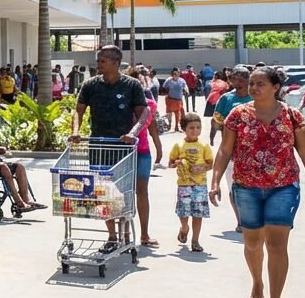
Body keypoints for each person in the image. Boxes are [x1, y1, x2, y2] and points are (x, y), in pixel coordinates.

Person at [210, 65, 305, 298]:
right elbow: (225, 150)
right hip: (246, 187)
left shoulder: (292, 116)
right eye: (252, 84)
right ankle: (257, 283)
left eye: (260, 84)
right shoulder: (237, 115)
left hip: (284, 186)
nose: (253, 88)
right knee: (253, 243)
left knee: (277, 245)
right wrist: (214, 181)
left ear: (275, 88)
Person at [71, 46, 148, 253]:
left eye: (102, 61)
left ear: (116, 63)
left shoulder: (132, 85)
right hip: (99, 145)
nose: (99, 64)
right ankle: (112, 236)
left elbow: (143, 113)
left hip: (122, 148)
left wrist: (133, 133)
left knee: (123, 193)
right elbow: (78, 111)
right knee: (103, 193)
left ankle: (126, 233)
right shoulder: (90, 85)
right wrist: (76, 131)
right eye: (99, 60)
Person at [125, 66, 167, 247]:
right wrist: (158, 148)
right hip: (128, 152)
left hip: (140, 151)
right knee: (132, 193)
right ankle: (128, 234)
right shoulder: (125, 101)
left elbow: (151, 128)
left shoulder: (149, 103)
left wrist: (158, 148)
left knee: (137, 192)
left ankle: (141, 234)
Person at [168, 112, 215, 252]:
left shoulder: (204, 146)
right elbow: (170, 163)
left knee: (198, 214)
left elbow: (210, 164)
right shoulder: (178, 145)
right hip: (184, 184)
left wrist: (202, 168)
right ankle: (184, 227)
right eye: (191, 128)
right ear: (184, 129)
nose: (195, 131)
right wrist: (178, 163)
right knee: (183, 212)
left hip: (200, 185)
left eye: (198, 128)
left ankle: (195, 240)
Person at [213, 66, 252, 228]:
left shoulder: (256, 98)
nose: (238, 83)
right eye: (235, 80)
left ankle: (251, 219)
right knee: (234, 188)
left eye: (242, 80)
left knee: (251, 189)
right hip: (231, 153)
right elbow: (217, 121)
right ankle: (240, 221)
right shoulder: (226, 100)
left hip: (254, 153)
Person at [204, 70, 230, 145]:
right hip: (220, 103)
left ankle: (212, 140)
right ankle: (223, 141)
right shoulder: (224, 83)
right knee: (222, 123)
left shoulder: (212, 82)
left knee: (215, 123)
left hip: (211, 102)